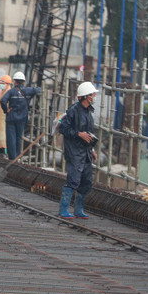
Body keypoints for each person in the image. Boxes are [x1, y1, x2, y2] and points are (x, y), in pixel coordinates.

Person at [57, 82, 98, 220]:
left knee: (86, 181)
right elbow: (63, 128)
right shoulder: (74, 110)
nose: (94, 96)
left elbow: (89, 133)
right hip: (74, 152)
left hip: (85, 152)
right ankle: (63, 210)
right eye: (93, 94)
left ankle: (78, 209)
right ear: (86, 96)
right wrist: (78, 134)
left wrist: (92, 149)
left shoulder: (88, 112)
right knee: (73, 180)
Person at [0, 70, 42, 160]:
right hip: (22, 119)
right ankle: (17, 157)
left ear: (14, 81)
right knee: (19, 138)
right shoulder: (28, 90)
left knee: (11, 139)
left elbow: (2, 100)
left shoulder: (11, 92)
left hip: (11, 118)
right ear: (23, 82)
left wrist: (6, 110)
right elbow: (38, 89)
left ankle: (12, 158)